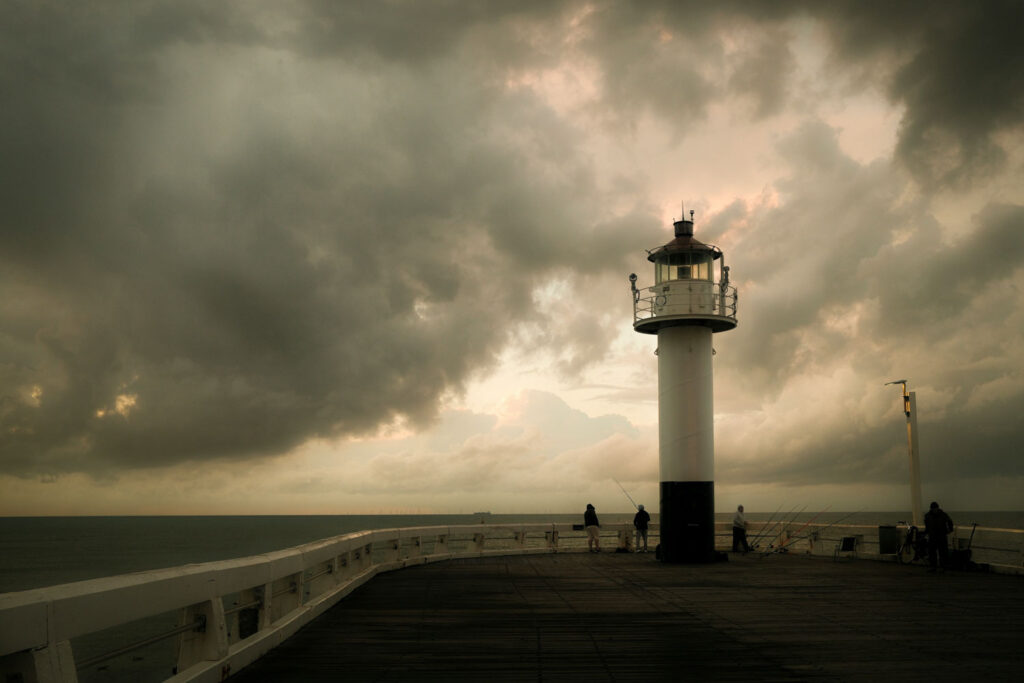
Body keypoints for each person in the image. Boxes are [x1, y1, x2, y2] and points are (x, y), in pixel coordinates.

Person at [924, 501, 954, 571]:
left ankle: (944, 566)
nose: (934, 510)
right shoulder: (928, 516)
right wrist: (926, 532)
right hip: (932, 536)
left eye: (935, 508)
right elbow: (927, 526)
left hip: (941, 536)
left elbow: (950, 522)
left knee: (943, 552)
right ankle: (933, 566)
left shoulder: (943, 515)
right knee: (932, 552)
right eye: (933, 509)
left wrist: (950, 530)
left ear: (937, 508)